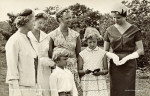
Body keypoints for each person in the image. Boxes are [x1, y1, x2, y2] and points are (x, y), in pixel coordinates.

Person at [104, 3, 144, 96]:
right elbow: (105, 51)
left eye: (118, 18)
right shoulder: (109, 30)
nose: (115, 20)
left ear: (125, 16)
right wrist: (113, 56)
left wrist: (127, 58)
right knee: (115, 90)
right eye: (113, 18)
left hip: (129, 65)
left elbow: (141, 50)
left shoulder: (135, 30)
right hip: (115, 65)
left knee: (128, 91)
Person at [5, 9, 41, 96]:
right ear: (26, 21)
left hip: (33, 87)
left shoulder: (29, 39)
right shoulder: (14, 40)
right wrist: (16, 92)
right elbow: (12, 69)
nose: (35, 23)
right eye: (33, 21)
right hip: (21, 89)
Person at [49, 8, 82, 96]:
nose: (70, 20)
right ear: (60, 19)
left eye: (70, 17)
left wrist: (79, 70)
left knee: (74, 92)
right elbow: (49, 54)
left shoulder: (76, 35)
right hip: (58, 68)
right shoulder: (52, 35)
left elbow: (79, 55)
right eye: (67, 18)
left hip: (73, 69)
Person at [27, 10, 55, 96]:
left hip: (46, 71)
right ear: (34, 21)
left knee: (46, 93)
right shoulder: (27, 35)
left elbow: (51, 55)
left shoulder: (47, 37)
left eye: (44, 24)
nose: (42, 26)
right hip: (31, 70)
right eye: (40, 23)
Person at [78, 27, 108, 96]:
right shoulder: (82, 54)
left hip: (99, 81)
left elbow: (106, 70)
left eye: (94, 42)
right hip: (87, 82)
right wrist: (85, 71)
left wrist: (100, 72)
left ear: (97, 40)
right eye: (90, 42)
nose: (92, 44)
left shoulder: (102, 53)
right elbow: (79, 71)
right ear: (86, 41)